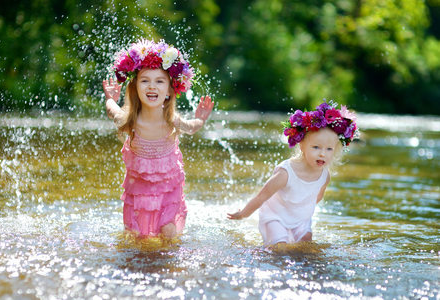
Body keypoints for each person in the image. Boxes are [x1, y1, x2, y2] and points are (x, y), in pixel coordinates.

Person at [103, 39, 214, 238]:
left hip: (168, 189)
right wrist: (110, 98)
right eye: (145, 80)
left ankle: (170, 266)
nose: (152, 87)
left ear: (169, 91)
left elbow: (191, 128)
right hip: (139, 190)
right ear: (135, 87)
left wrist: (200, 119)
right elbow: (113, 111)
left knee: (168, 232)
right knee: (136, 236)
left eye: (159, 81)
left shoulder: (172, 121)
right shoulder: (130, 122)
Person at [227, 101, 359, 246]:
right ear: (302, 146)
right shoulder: (286, 173)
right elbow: (262, 196)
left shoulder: (324, 176)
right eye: (316, 147)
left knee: (306, 243)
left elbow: (317, 197)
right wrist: (243, 214)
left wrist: (300, 211)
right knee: (280, 246)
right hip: (276, 216)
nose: (323, 154)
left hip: (299, 217)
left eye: (329, 149)